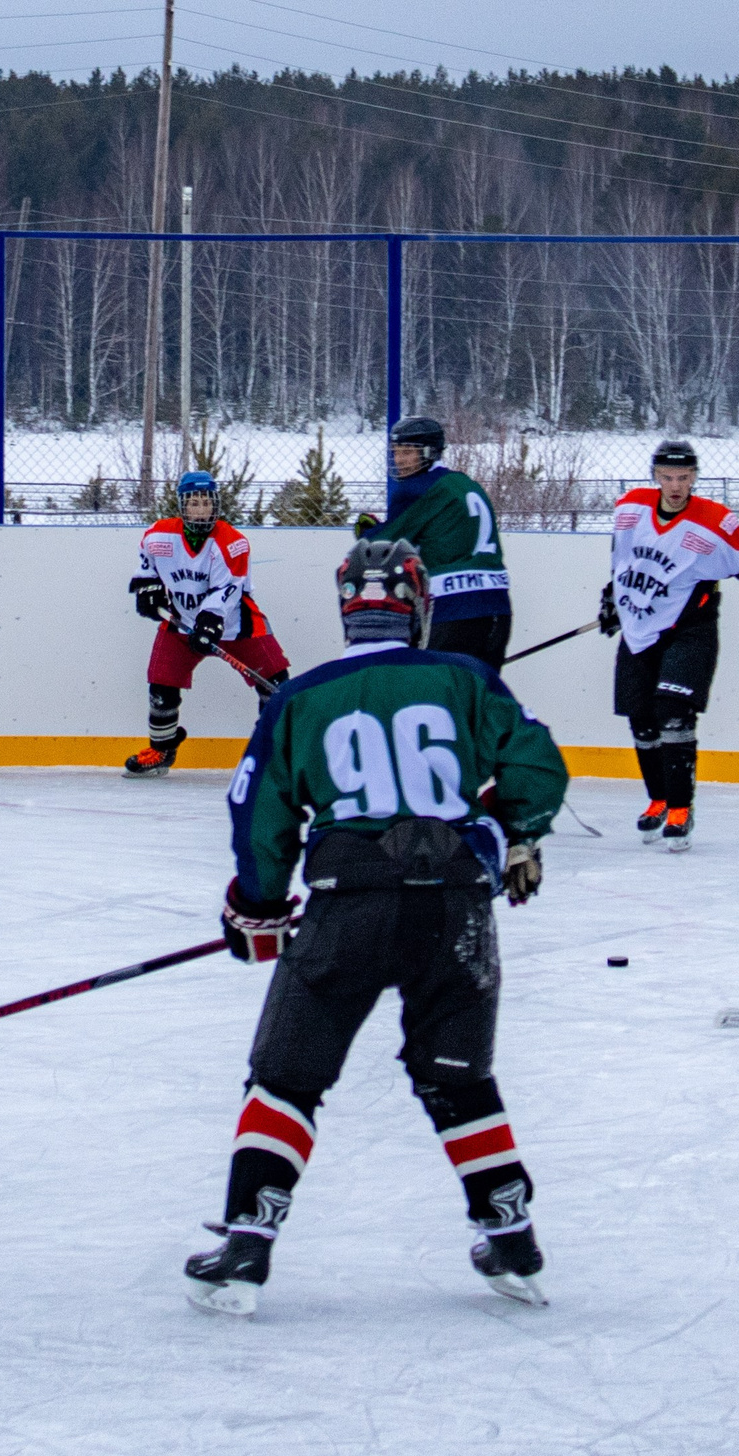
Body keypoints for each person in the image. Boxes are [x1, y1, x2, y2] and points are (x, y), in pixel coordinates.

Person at [183, 539, 570, 1318]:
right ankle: (510, 1228)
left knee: (289, 1074)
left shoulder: (302, 697)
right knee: (457, 1073)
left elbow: (258, 809)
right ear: (419, 604)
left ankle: (249, 1238)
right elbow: (537, 769)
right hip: (455, 905)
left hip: (348, 898)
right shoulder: (466, 678)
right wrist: (509, 837)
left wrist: (256, 905)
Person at [599, 439, 739, 851]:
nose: (676, 486)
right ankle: (657, 799)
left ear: (695, 478)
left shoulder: (713, 523)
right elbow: (624, 563)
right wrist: (611, 599)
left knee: (672, 712)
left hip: (690, 629)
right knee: (642, 720)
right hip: (640, 629)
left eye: (684, 477)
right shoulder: (629, 510)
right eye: (668, 477)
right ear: (655, 476)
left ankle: (680, 807)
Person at [123, 469, 290, 777]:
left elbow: (227, 591)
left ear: (215, 505)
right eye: (194, 503)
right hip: (181, 623)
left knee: (277, 683)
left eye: (206, 503)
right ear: (182, 506)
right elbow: (146, 570)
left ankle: (272, 752)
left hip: (236, 626)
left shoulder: (233, 542)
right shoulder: (158, 536)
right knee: (161, 684)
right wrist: (147, 590)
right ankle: (161, 750)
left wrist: (210, 622)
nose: (200, 510)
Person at [349, 416, 514, 668]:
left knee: (437, 698)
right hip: (498, 608)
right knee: (479, 700)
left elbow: (382, 547)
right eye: (396, 452)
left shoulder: (418, 488)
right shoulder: (465, 484)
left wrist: (366, 531)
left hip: (452, 610)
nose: (399, 460)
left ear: (429, 452)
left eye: (407, 452)